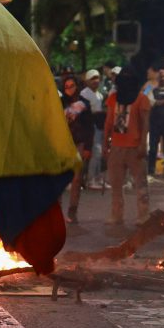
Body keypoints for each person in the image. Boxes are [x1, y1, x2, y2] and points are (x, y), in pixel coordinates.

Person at [103, 65, 152, 226]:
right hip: (116, 146)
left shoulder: (142, 99)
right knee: (116, 183)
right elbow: (109, 122)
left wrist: (144, 144)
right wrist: (105, 144)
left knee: (140, 183)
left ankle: (143, 215)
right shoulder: (113, 98)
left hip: (135, 146)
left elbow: (145, 124)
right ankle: (116, 214)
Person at [61, 75, 94, 221]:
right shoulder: (59, 102)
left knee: (76, 179)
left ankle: (72, 211)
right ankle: (57, 211)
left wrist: (88, 146)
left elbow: (89, 127)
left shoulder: (84, 104)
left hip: (79, 143)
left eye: (71, 86)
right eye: (66, 86)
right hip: (62, 144)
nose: (69, 89)